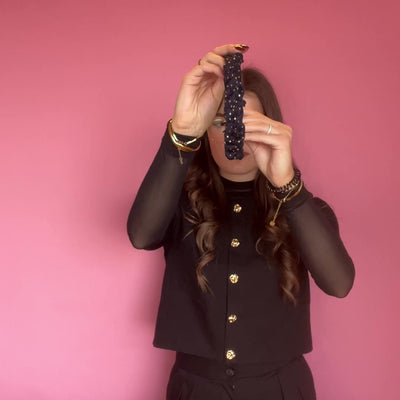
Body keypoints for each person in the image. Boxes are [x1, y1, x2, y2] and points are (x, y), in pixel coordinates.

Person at [127, 44, 355, 400]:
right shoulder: (178, 204)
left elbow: (339, 284)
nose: (238, 135)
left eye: (252, 124)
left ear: (273, 128)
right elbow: (141, 235)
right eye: (221, 122)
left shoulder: (305, 210)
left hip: (281, 389)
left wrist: (289, 187)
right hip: (195, 388)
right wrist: (182, 134)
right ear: (206, 131)